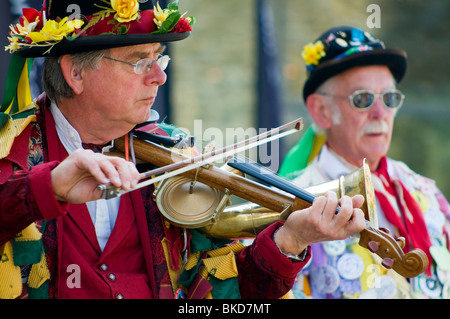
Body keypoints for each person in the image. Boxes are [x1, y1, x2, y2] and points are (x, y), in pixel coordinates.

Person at [0, 2, 366, 299]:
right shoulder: (8, 148)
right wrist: (47, 187)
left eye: (158, 58)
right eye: (139, 60)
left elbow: (226, 297)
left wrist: (289, 241)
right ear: (75, 74)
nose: (158, 76)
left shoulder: (178, 154)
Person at [279, 26, 450, 299]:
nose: (381, 113)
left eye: (390, 98)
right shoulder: (290, 204)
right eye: (363, 99)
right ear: (322, 111)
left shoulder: (427, 192)